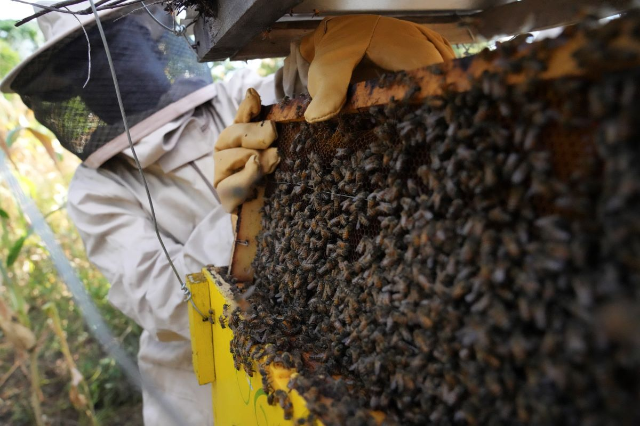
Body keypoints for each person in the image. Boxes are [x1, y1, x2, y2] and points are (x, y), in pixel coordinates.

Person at [1, 2, 454, 424]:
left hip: (336, 330)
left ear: (148, 41)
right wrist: (237, 221)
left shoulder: (236, 98)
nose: (102, 77)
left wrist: (336, 41)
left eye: (110, 50)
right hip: (204, 390)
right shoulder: (97, 189)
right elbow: (164, 303)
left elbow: (303, 86)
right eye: (77, 69)